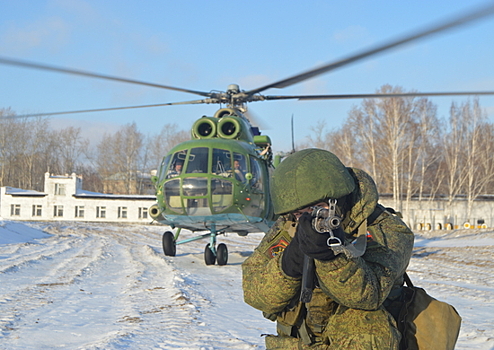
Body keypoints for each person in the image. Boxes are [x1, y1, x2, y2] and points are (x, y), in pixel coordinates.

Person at [242, 148, 414, 350]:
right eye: (299, 213)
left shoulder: (386, 230)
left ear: (339, 198)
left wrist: (331, 257)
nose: (309, 218)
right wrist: (290, 262)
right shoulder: (289, 226)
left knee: (367, 325)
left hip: (359, 343)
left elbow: (368, 296)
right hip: (297, 343)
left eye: (318, 209)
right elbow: (254, 293)